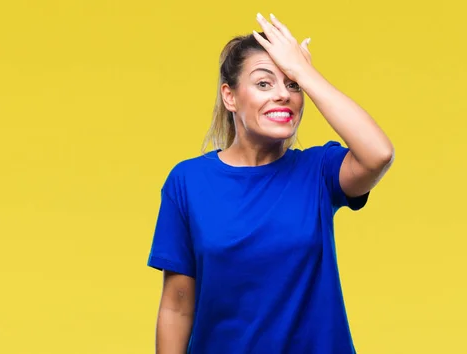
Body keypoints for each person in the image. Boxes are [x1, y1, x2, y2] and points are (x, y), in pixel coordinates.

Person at [146, 12, 394, 354]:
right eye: (264, 83)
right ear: (230, 96)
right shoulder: (188, 182)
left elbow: (378, 153)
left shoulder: (319, 170)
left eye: (292, 85)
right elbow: (177, 305)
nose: (283, 95)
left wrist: (305, 73)